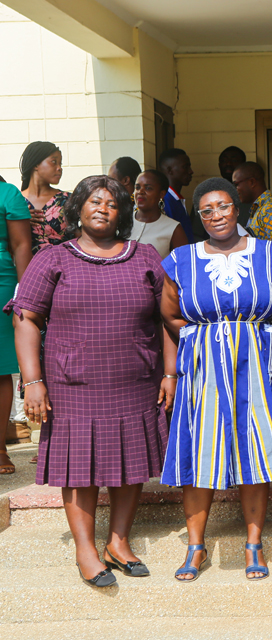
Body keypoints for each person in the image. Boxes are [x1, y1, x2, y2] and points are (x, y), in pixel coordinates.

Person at [7, 175, 175, 587]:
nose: (103, 208)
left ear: (122, 213)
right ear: (78, 209)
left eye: (112, 203)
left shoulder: (144, 256)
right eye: (94, 201)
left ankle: (118, 542)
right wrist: (32, 381)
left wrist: (171, 373)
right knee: (78, 468)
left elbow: (168, 318)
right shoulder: (53, 258)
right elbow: (25, 317)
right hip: (73, 384)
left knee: (131, 463)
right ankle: (86, 550)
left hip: (136, 378)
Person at [160, 177, 272, 582]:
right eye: (207, 210)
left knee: (255, 452)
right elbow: (168, 315)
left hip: (258, 365)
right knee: (201, 451)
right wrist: (191, 352)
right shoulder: (181, 259)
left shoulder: (270, 253)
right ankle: (195, 546)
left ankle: (253, 544)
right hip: (203, 368)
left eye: (223, 206)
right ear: (199, 217)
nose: (216, 215)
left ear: (238, 208)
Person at [0, 179, 32, 475]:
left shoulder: (7, 193)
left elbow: (21, 244)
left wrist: (24, 293)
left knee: (0, 368)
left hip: (1, 283)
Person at [20, 141, 69, 253]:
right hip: (27, 263)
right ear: (36, 164)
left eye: (60, 164)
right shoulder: (15, 200)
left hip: (63, 262)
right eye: (54, 162)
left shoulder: (67, 200)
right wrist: (20, 222)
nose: (59, 168)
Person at [132, 170, 188, 260]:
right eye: (137, 187)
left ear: (161, 194)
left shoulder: (174, 229)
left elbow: (184, 264)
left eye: (148, 188)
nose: (140, 191)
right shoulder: (123, 222)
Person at [232, 161, 272, 240]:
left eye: (236, 184)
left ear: (252, 182)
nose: (235, 189)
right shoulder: (260, 209)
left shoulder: (270, 210)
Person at [159, 148, 196, 243]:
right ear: (170, 170)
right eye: (185, 167)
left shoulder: (176, 198)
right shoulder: (165, 200)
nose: (191, 171)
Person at [219, 146, 252, 228]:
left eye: (234, 160)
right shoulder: (208, 192)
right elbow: (197, 231)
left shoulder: (252, 192)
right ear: (219, 165)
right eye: (224, 161)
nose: (228, 163)